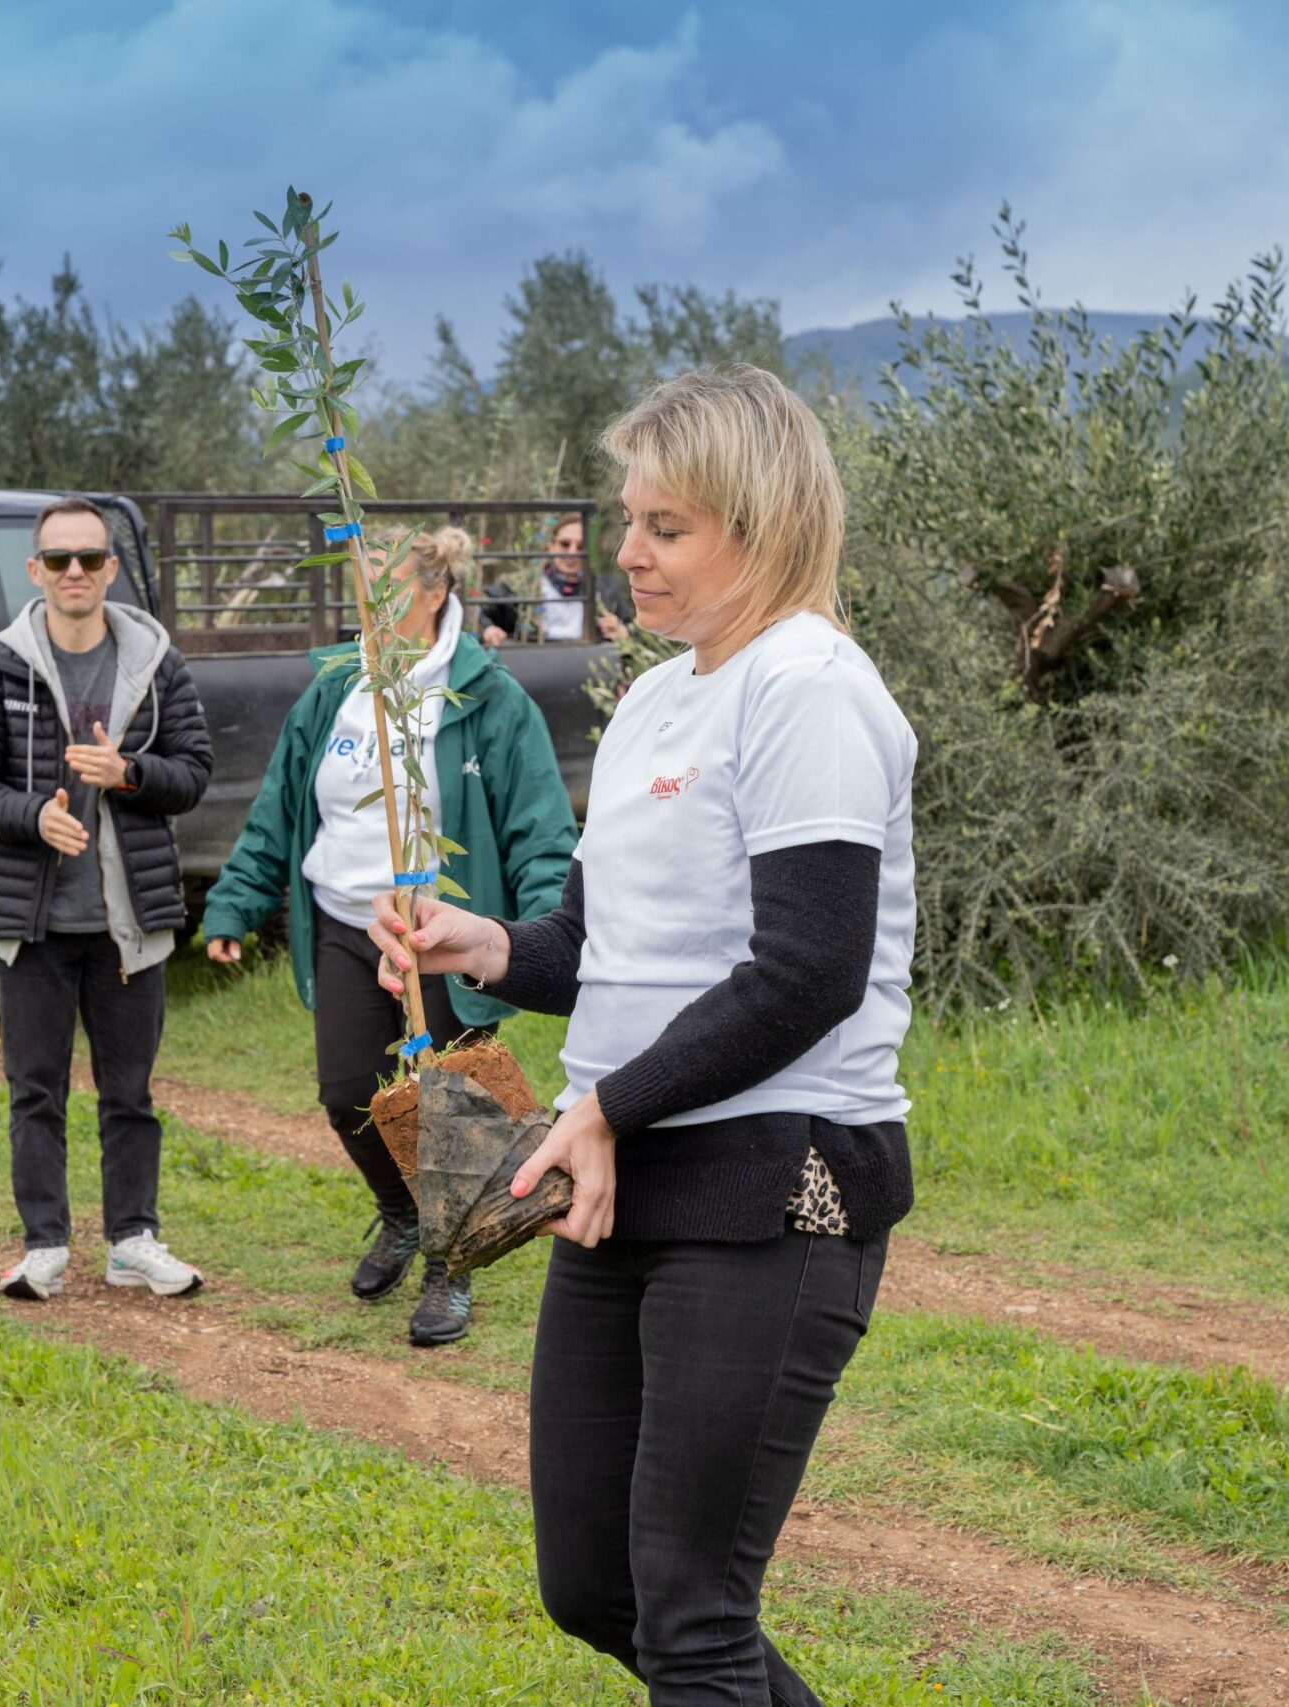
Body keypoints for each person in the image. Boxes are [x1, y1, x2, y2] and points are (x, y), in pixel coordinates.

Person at [371, 367, 916, 1704]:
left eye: (667, 525)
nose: (626, 551)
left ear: (762, 518)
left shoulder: (811, 689)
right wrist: (483, 942)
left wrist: (605, 1105)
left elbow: (807, 971)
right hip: (617, 1179)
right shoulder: (659, 702)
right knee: (595, 1584)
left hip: (772, 1180)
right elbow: (596, 942)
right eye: (630, 520)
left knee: (690, 1618)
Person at [200, 524, 577, 1347]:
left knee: (450, 1109)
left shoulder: (487, 699)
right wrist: (235, 902)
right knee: (347, 1095)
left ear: (437, 591)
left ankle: (452, 1266)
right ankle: (402, 1215)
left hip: (441, 932)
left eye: (390, 589)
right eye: (362, 591)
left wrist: (549, 931)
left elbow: (541, 829)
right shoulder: (334, 689)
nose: (370, 607)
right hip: (344, 921)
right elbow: (279, 809)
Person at [0, 496, 213, 1303]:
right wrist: (33, 817)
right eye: (58, 559)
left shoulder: (157, 664)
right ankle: (44, 1247)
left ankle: (132, 1240)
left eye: (89, 558)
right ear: (35, 570)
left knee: (131, 1094)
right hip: (32, 924)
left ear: (110, 568)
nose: (74, 573)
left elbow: (193, 772)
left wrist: (129, 773)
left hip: (129, 926)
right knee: (37, 1091)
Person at [482, 512, 630, 647]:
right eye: (565, 544)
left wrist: (623, 632)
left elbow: (635, 629)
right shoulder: (522, 586)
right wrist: (488, 628)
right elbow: (480, 610)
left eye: (580, 546)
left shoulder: (605, 589)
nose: (572, 553)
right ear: (551, 546)